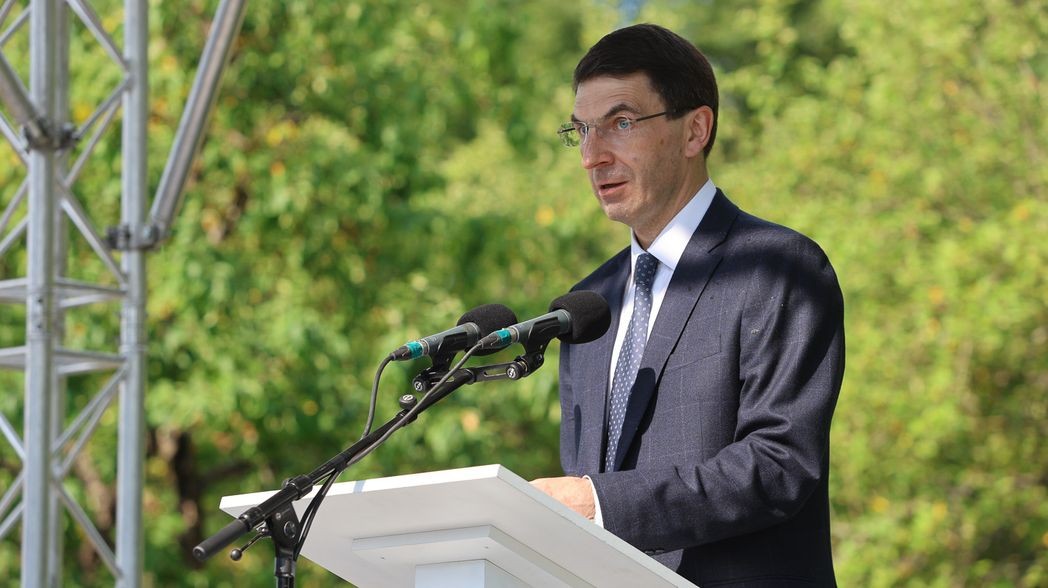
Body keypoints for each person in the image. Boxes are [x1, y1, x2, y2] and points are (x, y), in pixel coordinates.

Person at [530, 24, 845, 586]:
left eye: (621, 123)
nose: (591, 157)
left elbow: (780, 464)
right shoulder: (587, 306)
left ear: (695, 129)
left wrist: (601, 502)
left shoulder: (777, 267)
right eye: (581, 131)